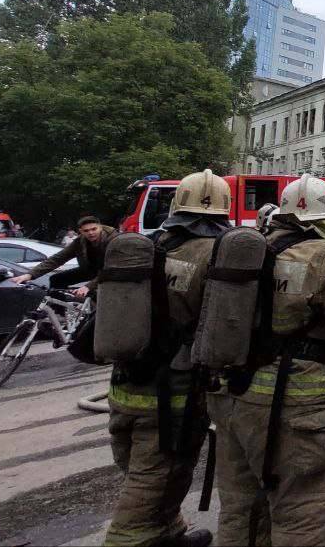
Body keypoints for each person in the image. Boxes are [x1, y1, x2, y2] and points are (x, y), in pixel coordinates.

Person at [207, 174, 325, 546]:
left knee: (241, 509)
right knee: (306, 509)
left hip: (229, 397)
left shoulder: (248, 249)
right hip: (293, 405)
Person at [102, 169, 232, 547]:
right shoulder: (218, 254)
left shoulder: (150, 245)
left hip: (126, 380)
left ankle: (169, 531)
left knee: (141, 472)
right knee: (155, 476)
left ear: (176, 206)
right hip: (173, 392)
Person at [10, 215, 116, 298]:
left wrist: (88, 287)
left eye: (94, 229)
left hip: (112, 272)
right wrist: (29, 275)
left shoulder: (114, 240)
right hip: (91, 270)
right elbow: (57, 259)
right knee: (57, 279)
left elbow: (112, 269)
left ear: (100, 227)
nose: (91, 233)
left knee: (98, 294)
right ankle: (59, 313)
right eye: (86, 231)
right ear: (80, 231)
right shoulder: (80, 242)